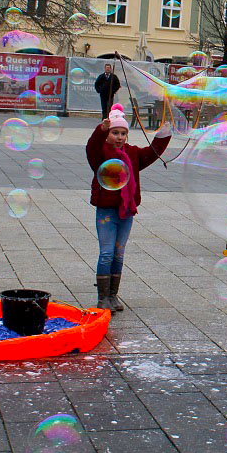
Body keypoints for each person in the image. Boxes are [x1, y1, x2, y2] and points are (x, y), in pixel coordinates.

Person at [86, 103, 171, 310]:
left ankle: (113, 295)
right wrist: (101, 130)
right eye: (115, 132)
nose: (120, 136)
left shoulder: (132, 154)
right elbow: (91, 147)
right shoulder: (100, 154)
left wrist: (164, 134)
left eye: (123, 133)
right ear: (108, 134)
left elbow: (152, 153)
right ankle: (102, 298)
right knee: (106, 252)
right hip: (106, 210)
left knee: (118, 253)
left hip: (126, 211)